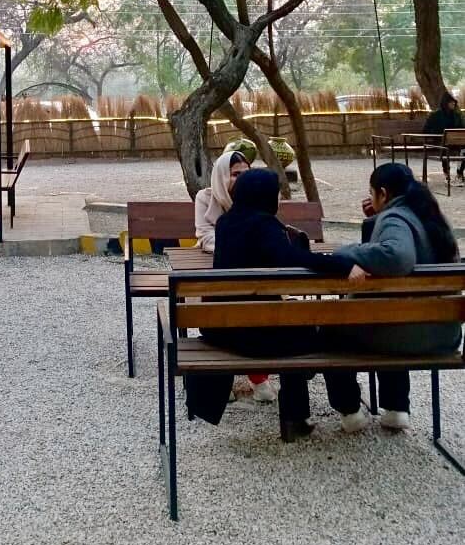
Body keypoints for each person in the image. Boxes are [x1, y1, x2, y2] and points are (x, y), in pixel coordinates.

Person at [187, 169, 351, 441]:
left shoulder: (226, 223)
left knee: (291, 323)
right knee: (321, 332)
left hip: (224, 331)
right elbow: (290, 258)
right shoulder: (264, 224)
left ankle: (298, 416)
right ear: (264, 195)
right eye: (276, 193)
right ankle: (304, 415)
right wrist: (341, 265)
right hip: (255, 337)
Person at [324, 163, 462, 433]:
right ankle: (396, 408)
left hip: (409, 336)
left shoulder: (395, 218)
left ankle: (350, 412)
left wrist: (346, 252)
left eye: (372, 192)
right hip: (443, 333)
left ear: (383, 193)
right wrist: (375, 219)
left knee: (331, 329)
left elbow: (397, 256)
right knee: (390, 313)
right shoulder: (427, 214)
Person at [194, 151, 275, 403]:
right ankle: (223, 376)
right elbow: (204, 233)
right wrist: (238, 243)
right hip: (216, 269)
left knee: (257, 308)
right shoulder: (206, 197)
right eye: (235, 174)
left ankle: (259, 376)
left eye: (245, 173)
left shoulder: (256, 197)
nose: (240, 179)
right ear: (222, 176)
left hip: (251, 272)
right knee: (225, 307)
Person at [423, 91, 464, 181]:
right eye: (451, 102)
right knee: (445, 146)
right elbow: (425, 130)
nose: (453, 103)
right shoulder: (435, 115)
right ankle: (446, 173)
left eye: (454, 102)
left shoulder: (457, 115)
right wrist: (436, 135)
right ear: (446, 103)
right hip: (440, 141)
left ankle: (460, 173)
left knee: (464, 148)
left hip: (456, 141)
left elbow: (462, 128)